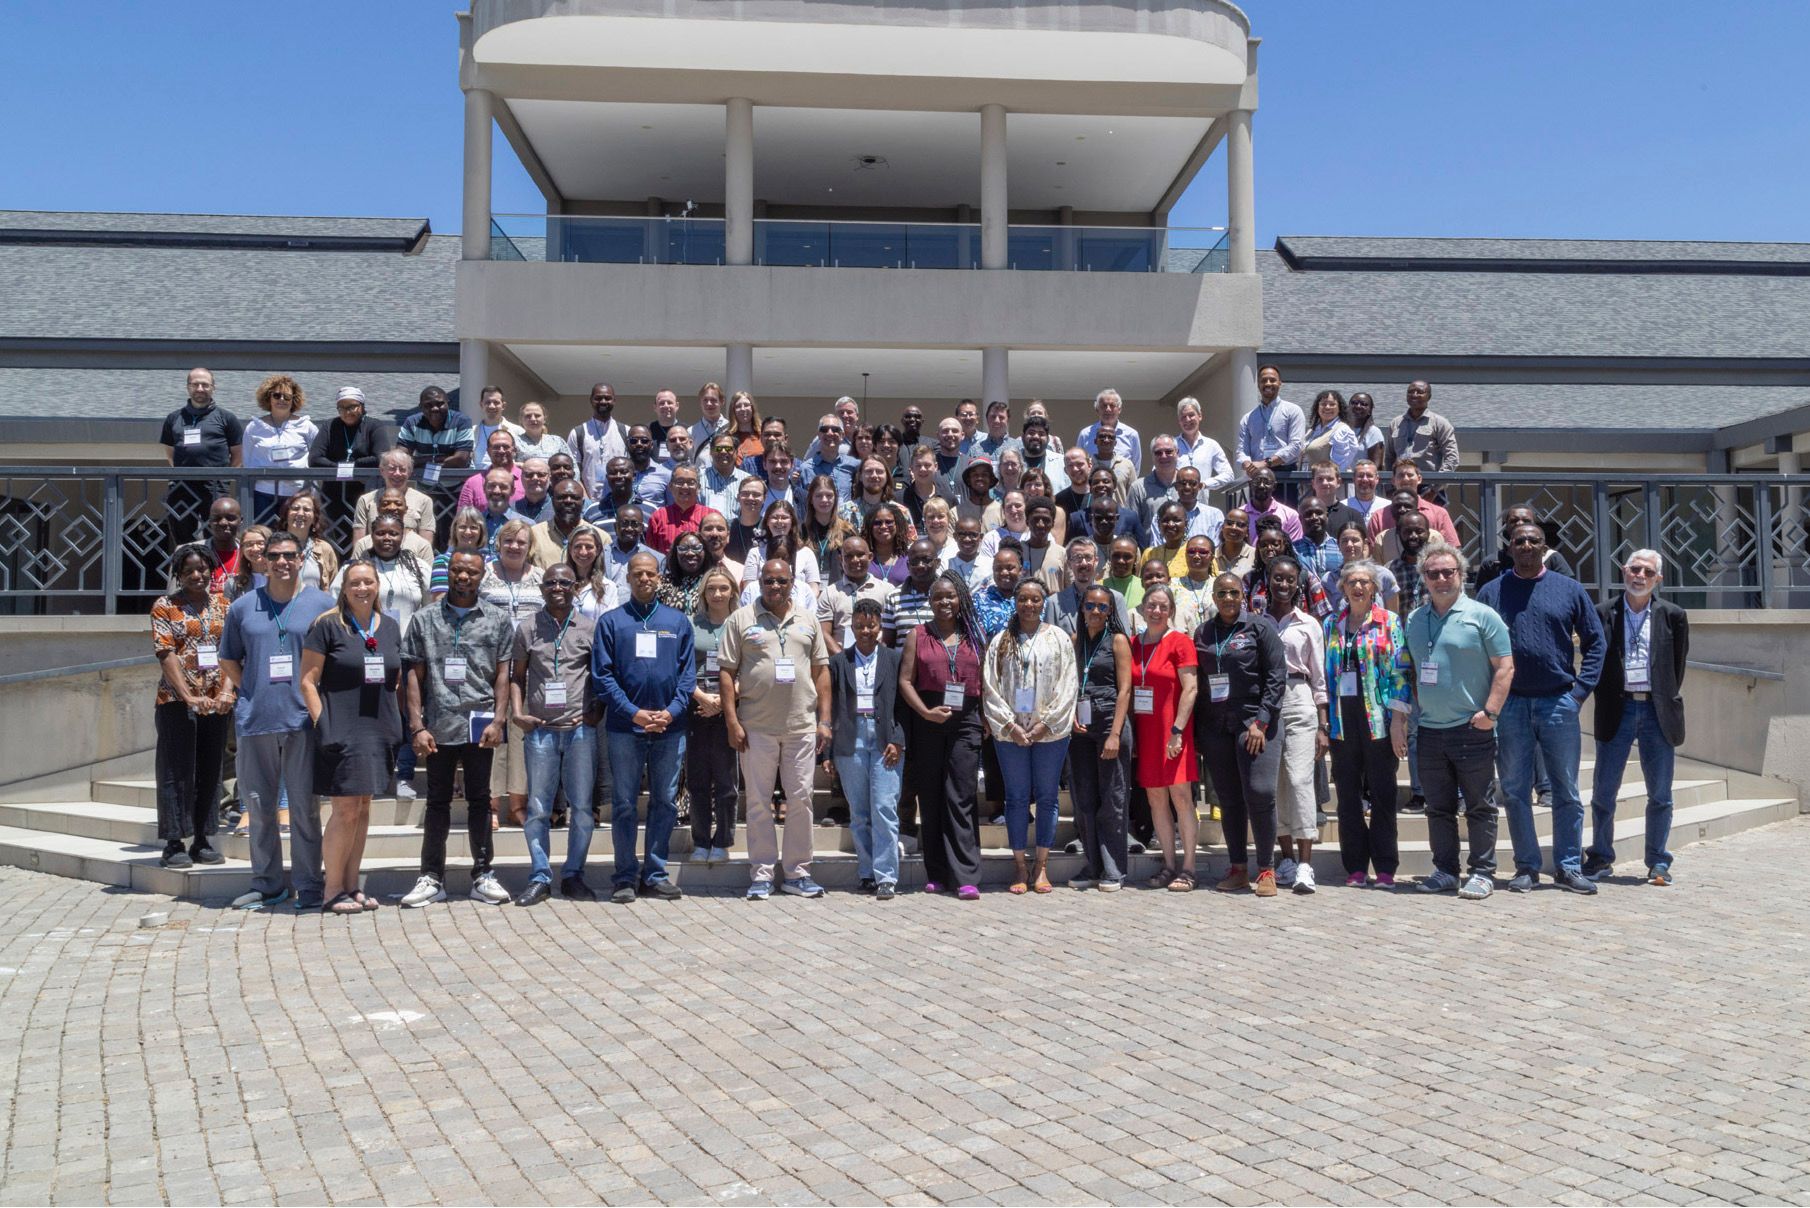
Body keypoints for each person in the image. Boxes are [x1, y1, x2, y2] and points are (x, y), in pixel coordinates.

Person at [1477, 521, 1606, 895]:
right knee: (1516, 790)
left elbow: (1596, 643)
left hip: (1558, 702)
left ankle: (1567, 866)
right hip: (1511, 704)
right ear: (1510, 547)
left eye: (1534, 541)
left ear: (1544, 546)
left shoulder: (1569, 589)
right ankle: (1527, 868)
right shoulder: (1491, 592)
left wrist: (1580, 692)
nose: (1527, 546)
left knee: (1566, 789)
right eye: (1520, 541)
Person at [219, 530, 334, 911]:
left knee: (304, 807)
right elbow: (228, 659)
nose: (282, 562)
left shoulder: (322, 604)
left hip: (303, 720)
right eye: (274, 556)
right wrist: (250, 689)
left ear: (302, 559)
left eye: (289, 555)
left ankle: (309, 885)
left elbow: (332, 659)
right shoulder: (243, 607)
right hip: (256, 720)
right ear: (262, 561)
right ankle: (268, 885)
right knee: (259, 807)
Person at [398, 549, 514, 908]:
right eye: (458, 571)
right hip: (439, 725)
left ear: (483, 577)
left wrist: (499, 720)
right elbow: (413, 677)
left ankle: (483, 874)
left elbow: (503, 676)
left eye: (472, 572)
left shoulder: (497, 620)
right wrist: (416, 727)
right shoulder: (424, 619)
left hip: (480, 725)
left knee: (481, 801)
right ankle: (432, 877)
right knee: (437, 802)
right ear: (448, 573)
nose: (464, 577)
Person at [1399, 543, 1514, 900]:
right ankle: (1446, 870)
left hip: (1471, 728)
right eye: (1433, 573)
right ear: (1424, 579)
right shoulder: (1415, 620)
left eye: (1448, 572)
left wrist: (1490, 713)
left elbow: (1505, 667)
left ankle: (1482, 872)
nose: (1441, 579)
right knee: (1438, 808)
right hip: (1430, 730)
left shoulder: (1483, 615)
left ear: (1461, 575)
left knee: (1479, 805)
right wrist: (1401, 719)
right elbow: (1408, 670)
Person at [719, 558, 832, 900]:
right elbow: (726, 673)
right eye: (768, 581)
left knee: (801, 800)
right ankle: (762, 874)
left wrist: (825, 720)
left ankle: (797, 873)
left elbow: (822, 672)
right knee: (757, 802)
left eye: (781, 581)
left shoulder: (808, 619)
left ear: (792, 583)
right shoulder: (741, 619)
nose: (775, 587)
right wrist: (732, 722)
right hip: (756, 727)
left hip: (801, 726)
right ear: (760, 582)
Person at [298, 560, 402, 914]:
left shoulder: (389, 626)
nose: (362, 588)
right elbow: (307, 681)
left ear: (378, 586)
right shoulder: (326, 626)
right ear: (343, 588)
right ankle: (332, 890)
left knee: (364, 808)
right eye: (355, 582)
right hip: (340, 729)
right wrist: (322, 724)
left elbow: (394, 676)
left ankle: (353, 885)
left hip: (378, 728)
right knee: (344, 810)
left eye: (368, 582)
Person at [590, 552, 693, 904]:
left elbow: (687, 676)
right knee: (623, 804)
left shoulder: (677, 622)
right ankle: (624, 876)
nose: (645, 579)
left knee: (664, 801)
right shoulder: (612, 622)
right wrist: (633, 712)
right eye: (638, 574)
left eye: (651, 573)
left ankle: (655, 873)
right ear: (628, 579)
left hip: (670, 728)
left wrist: (672, 711)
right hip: (624, 729)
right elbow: (602, 676)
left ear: (660, 577)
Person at [1586, 549, 1689, 886]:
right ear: (1624, 571)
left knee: (1660, 793)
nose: (1639, 576)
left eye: (1647, 572)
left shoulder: (1673, 615)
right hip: (1618, 707)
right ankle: (1601, 856)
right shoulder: (1603, 613)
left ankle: (1658, 861)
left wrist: (1661, 696)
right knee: (1604, 791)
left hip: (1657, 710)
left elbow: (1677, 666)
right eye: (1634, 569)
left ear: (1657, 579)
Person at [505, 563, 602, 905]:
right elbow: (516, 677)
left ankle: (574, 874)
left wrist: (597, 712)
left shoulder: (590, 628)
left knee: (582, 808)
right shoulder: (528, 628)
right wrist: (517, 713)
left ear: (576, 587)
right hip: (541, 732)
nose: (558, 587)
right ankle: (540, 875)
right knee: (538, 808)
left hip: (579, 730)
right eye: (551, 582)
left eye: (565, 582)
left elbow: (602, 675)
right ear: (542, 588)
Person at [981, 579, 1077, 895]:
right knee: (1017, 797)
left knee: (1048, 797)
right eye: (1023, 599)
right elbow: (990, 686)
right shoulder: (1001, 641)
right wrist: (1010, 725)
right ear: (1016, 602)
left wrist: (1044, 724)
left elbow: (1068, 685)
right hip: (1011, 735)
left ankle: (1042, 866)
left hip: (1050, 733)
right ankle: (1020, 865)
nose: (1029, 605)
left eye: (1035, 599)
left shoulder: (1059, 639)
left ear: (1043, 601)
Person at [1193, 573, 1286, 897]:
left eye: (1234, 592)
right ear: (1214, 598)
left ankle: (1266, 869)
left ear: (1243, 595)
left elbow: (1276, 676)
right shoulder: (1203, 632)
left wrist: (1261, 723)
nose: (1229, 598)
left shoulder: (1260, 627)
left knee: (1259, 792)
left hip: (1255, 723)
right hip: (1217, 726)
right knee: (1228, 798)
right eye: (1222, 593)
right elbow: (1199, 685)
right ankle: (1237, 868)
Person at [898, 571, 988, 899]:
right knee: (932, 796)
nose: (944, 602)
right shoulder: (917, 635)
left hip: (967, 720)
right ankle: (936, 872)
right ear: (930, 602)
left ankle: (965, 875)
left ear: (960, 599)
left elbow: (986, 681)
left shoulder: (974, 635)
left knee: (961, 796)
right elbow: (906, 680)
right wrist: (925, 712)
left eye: (950, 596)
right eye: (938, 597)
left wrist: (987, 717)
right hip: (928, 719)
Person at [1325, 560, 1411, 887]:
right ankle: (1356, 867)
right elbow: (1324, 677)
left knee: (1383, 794)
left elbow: (1401, 673)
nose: (1358, 587)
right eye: (1352, 582)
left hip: (1379, 720)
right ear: (1343, 588)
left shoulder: (1389, 622)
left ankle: (1386, 866)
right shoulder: (1331, 624)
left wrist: (1398, 722)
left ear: (1374, 587)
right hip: (1341, 722)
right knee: (1347, 797)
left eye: (1364, 582)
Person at [150, 544, 234, 869]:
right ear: (178, 575)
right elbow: (165, 653)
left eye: (202, 569)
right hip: (176, 702)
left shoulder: (225, 607)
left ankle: (202, 838)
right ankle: (174, 842)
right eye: (188, 571)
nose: (196, 575)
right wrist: (187, 696)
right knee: (175, 771)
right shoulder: (165, 607)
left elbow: (232, 651)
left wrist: (227, 690)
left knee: (209, 770)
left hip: (216, 703)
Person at [825, 598, 909, 899]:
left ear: (880, 626)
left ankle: (887, 875)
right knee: (859, 811)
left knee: (884, 808)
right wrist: (828, 752)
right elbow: (830, 708)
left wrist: (898, 740)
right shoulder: (839, 662)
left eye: (871, 625)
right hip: (851, 739)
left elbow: (903, 706)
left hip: (886, 738)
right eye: (859, 626)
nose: (865, 631)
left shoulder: (894, 659)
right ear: (851, 626)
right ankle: (866, 871)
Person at [1261, 555, 1330, 894]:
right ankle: (1285, 859)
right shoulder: (1257, 622)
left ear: (1298, 583)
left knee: (1301, 779)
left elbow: (1319, 676)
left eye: (1289, 579)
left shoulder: (1309, 624)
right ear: (1268, 580)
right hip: (1267, 703)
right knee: (1275, 784)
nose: (1283, 585)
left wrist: (1323, 723)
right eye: (1277, 578)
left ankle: (1305, 863)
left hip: (1299, 696)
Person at [1127, 586, 1200, 890]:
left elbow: (1192, 688)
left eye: (1163, 607)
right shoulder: (1133, 643)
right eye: (1151, 606)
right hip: (1146, 733)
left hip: (1173, 732)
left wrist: (1178, 731)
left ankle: (1189, 868)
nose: (1156, 612)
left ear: (1171, 610)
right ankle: (1169, 865)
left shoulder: (1180, 642)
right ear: (1142, 609)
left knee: (1180, 797)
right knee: (1156, 798)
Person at [1067, 584, 1134, 891]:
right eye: (1090, 606)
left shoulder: (1117, 640)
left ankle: (1114, 869)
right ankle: (1093, 864)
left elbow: (1125, 690)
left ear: (1111, 612)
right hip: (1081, 725)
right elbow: (1068, 685)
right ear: (1082, 608)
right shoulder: (1074, 641)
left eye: (1102, 607)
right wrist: (1071, 716)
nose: (1096, 611)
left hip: (1110, 722)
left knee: (1112, 799)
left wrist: (1116, 734)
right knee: (1084, 799)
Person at [685, 566, 740, 864]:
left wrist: (726, 699)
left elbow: (752, 667)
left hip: (731, 709)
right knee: (697, 779)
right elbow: (680, 668)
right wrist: (703, 697)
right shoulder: (690, 624)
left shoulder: (743, 623)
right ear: (703, 594)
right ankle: (700, 840)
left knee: (726, 779)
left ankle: (723, 841)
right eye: (711, 589)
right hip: (697, 706)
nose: (717, 594)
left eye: (723, 588)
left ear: (732, 590)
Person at [160, 367, 243, 548]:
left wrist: (223, 475)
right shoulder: (174, 418)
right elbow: (169, 451)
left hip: (214, 486)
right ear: (188, 387)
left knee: (218, 534)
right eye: (195, 384)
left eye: (205, 385)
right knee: (181, 536)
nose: (200, 389)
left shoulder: (227, 418)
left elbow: (237, 454)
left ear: (213, 387)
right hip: (182, 485)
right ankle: (186, 571)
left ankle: (215, 572)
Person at [241, 374, 319, 525]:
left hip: (296, 493)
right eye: (277, 395)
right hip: (263, 493)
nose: (281, 400)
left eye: (287, 396)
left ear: (294, 400)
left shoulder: (307, 426)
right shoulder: (254, 427)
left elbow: (315, 461)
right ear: (268, 398)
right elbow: (247, 462)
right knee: (264, 536)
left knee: (293, 536)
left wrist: (313, 495)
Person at [394, 385, 474, 499]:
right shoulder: (411, 422)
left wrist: (418, 461)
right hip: (424, 490)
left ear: (448, 403)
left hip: (458, 490)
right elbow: (401, 459)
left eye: (439, 404)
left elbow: (461, 460)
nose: (435, 408)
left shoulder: (462, 421)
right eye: (428, 405)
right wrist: (437, 458)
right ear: (420, 407)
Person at [821, 535, 897, 653]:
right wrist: (842, 660)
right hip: (842, 660)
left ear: (870, 557)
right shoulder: (829, 593)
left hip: (878, 658)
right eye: (849, 556)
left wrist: (879, 656)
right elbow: (823, 633)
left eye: (860, 555)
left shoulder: (887, 590)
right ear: (840, 559)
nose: (855, 560)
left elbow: (891, 630)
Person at [1474, 505, 1576, 592]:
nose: (1520, 523)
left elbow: (1569, 590)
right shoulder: (1492, 562)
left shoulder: (1552, 558)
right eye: (1514, 520)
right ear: (1506, 526)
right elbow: (1483, 598)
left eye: (1526, 520)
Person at [1235, 365, 1306, 487]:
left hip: (1286, 475)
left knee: (1285, 507)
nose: (1268, 383)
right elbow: (1241, 450)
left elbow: (1296, 446)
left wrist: (1266, 462)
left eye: (1272, 380)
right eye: (1263, 380)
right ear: (1258, 385)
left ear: (1280, 383)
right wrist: (1247, 463)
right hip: (1258, 476)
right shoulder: (1248, 418)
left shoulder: (1293, 411)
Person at [1366, 462, 1460, 548]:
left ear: (1419, 479)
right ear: (1393, 480)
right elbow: (1372, 553)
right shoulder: (1379, 517)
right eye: (1401, 475)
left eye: (1410, 475)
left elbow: (1452, 548)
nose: (1406, 479)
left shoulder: (1439, 514)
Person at [351, 449, 436, 546]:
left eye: (402, 469)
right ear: (382, 471)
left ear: (410, 472)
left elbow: (426, 543)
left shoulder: (424, 501)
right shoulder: (366, 500)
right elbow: (359, 542)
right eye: (392, 469)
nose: (397, 473)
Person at [567, 382, 630, 498]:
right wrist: (585, 500)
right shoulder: (578, 433)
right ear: (591, 400)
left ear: (614, 401)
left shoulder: (626, 431)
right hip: (589, 500)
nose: (603, 401)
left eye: (607, 398)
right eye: (598, 398)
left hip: (620, 500)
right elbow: (574, 471)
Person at [1385, 380, 1460, 476]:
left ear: (1429, 396)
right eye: (1410, 392)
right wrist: (1390, 486)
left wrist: (1436, 486)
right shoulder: (1395, 423)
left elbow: (1452, 458)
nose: (1414, 395)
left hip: (1428, 484)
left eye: (1419, 392)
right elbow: (1389, 457)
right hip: (1401, 484)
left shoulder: (1440, 423)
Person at [644, 465, 718, 554]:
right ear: (671, 487)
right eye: (680, 482)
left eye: (691, 482)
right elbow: (651, 552)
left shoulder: (711, 516)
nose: (685, 487)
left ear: (698, 488)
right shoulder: (658, 516)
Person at [1173, 396, 1236, 490]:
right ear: (1179, 421)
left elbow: (1229, 475)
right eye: (1183, 417)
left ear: (1200, 416)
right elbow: (1158, 472)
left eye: (1191, 415)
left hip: (1201, 503)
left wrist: (1204, 484)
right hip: (1175, 503)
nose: (1187, 420)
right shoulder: (1170, 446)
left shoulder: (1211, 445)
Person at [458, 429, 525, 512]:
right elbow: (463, 519)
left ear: (514, 450)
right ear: (488, 451)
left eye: (506, 446)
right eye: (496, 447)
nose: (501, 450)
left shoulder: (527, 479)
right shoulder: (473, 483)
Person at [1077, 387, 1142, 472]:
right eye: (1104, 406)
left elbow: (1135, 468)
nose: (1108, 409)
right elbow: (1078, 463)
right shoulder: (1085, 434)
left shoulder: (1131, 435)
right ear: (1097, 409)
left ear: (1119, 409)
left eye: (1112, 405)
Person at [1302, 389, 1363, 474]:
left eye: (1332, 404)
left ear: (1339, 408)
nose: (1327, 407)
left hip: (1328, 484)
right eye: (1323, 404)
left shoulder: (1342, 430)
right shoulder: (1312, 431)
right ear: (1317, 407)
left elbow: (1339, 466)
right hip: (1309, 483)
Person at [470, 386, 525, 471]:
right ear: (481, 405)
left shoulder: (517, 431)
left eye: (496, 402)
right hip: (477, 478)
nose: (492, 406)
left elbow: (522, 460)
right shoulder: (471, 432)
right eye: (487, 402)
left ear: (503, 405)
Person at [657, 532, 711, 615]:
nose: (690, 553)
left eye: (696, 548)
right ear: (675, 553)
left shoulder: (712, 580)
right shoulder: (663, 582)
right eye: (683, 548)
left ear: (705, 552)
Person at [1243, 466, 1302, 542]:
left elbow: (1294, 548)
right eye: (1257, 481)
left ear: (1274, 486)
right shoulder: (1240, 515)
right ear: (1250, 484)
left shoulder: (1290, 515)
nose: (1261, 486)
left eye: (1266, 482)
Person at [701, 432, 753, 516]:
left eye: (728, 448)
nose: (723, 452)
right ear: (711, 451)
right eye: (718, 448)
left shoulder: (747, 481)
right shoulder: (699, 478)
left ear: (736, 452)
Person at [624, 424, 674, 509]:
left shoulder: (667, 475)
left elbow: (673, 509)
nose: (639, 444)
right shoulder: (618, 474)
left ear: (651, 445)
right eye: (633, 441)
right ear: (627, 444)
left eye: (644, 441)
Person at [204, 497, 244, 594]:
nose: (223, 523)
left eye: (230, 518)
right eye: (216, 518)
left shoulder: (249, 553)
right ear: (209, 522)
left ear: (240, 520)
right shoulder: (192, 552)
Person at [688, 382, 731, 460]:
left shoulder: (730, 428)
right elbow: (689, 460)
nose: (709, 404)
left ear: (722, 401)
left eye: (713, 400)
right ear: (700, 402)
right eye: (705, 400)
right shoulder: (691, 431)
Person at [507, 458, 555, 527]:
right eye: (529, 475)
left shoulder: (558, 508)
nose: (535, 478)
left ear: (549, 477)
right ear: (521, 478)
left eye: (541, 474)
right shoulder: (510, 509)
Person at [972, 399, 1020, 463]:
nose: (997, 421)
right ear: (987, 419)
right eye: (993, 417)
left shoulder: (1019, 447)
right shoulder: (975, 450)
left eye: (1001, 417)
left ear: (1007, 421)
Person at [1347, 393, 1387, 467]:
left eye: (1363, 404)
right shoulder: (1341, 430)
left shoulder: (1374, 432)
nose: (1358, 406)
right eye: (1354, 403)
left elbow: (1376, 466)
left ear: (1370, 410)